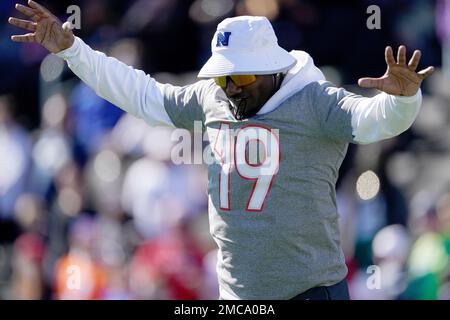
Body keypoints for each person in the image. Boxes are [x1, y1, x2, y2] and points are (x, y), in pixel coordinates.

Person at [8, 0, 434, 300]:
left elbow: (376, 121)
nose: (231, 90)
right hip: (236, 293)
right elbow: (141, 94)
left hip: (310, 293)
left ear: (273, 71)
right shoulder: (214, 99)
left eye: (241, 79)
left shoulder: (316, 102)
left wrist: (403, 100)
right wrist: (73, 51)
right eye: (223, 79)